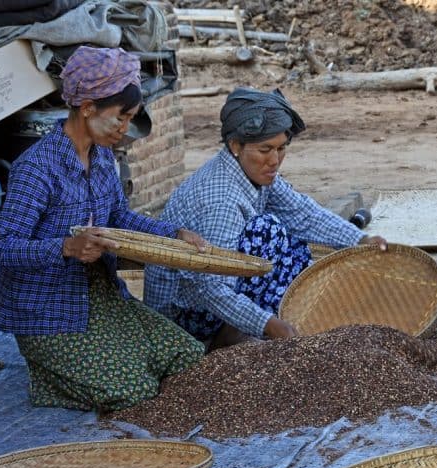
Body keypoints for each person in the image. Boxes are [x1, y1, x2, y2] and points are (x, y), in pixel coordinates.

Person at [0, 46, 205, 412]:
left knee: (187, 355)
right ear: (87, 107)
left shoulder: (104, 157)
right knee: (133, 389)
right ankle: (48, 380)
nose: (124, 129)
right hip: (47, 313)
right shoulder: (37, 168)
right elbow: (1, 249)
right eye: (119, 118)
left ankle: (71, 372)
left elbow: (119, 216)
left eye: (130, 118)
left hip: (99, 298)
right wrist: (66, 247)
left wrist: (173, 234)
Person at [144, 87, 387, 350]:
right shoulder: (221, 201)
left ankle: (245, 326)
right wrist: (268, 324)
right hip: (183, 316)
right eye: (265, 149)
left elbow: (303, 214)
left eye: (281, 148)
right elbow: (211, 289)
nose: (275, 160)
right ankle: (225, 340)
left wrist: (359, 239)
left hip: (210, 292)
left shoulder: (254, 171)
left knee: (293, 243)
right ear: (236, 145)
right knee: (267, 230)